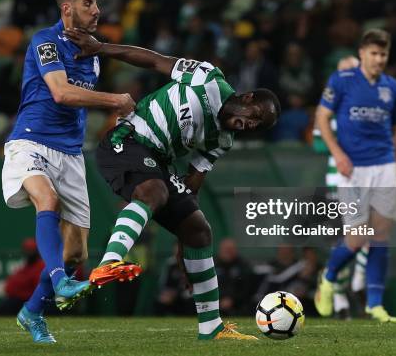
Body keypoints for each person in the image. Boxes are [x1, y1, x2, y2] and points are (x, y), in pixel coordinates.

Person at [63, 27, 281, 340]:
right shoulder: (208, 78)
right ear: (246, 97)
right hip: (129, 139)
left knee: (199, 229)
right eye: (255, 115)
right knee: (155, 190)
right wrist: (100, 48)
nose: (251, 124)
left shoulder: (223, 139)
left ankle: (211, 327)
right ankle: (109, 262)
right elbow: (154, 61)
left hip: (159, 163)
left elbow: (192, 185)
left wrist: (183, 240)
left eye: (258, 126)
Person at [1, 0, 135, 344]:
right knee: (48, 201)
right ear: (67, 7)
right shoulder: (45, 41)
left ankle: (31, 312)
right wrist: (116, 101)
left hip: (71, 153)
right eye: (88, 2)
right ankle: (60, 281)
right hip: (30, 142)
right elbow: (60, 93)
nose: (97, 9)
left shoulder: (92, 51)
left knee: (76, 252)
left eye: (96, 1)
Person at [314, 28, 396, 323]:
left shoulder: (392, 87)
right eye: (374, 53)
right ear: (362, 53)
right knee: (356, 238)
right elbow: (321, 117)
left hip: (385, 164)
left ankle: (374, 304)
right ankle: (328, 278)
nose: (379, 59)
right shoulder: (342, 81)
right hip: (353, 169)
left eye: (384, 54)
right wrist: (338, 153)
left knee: (380, 237)